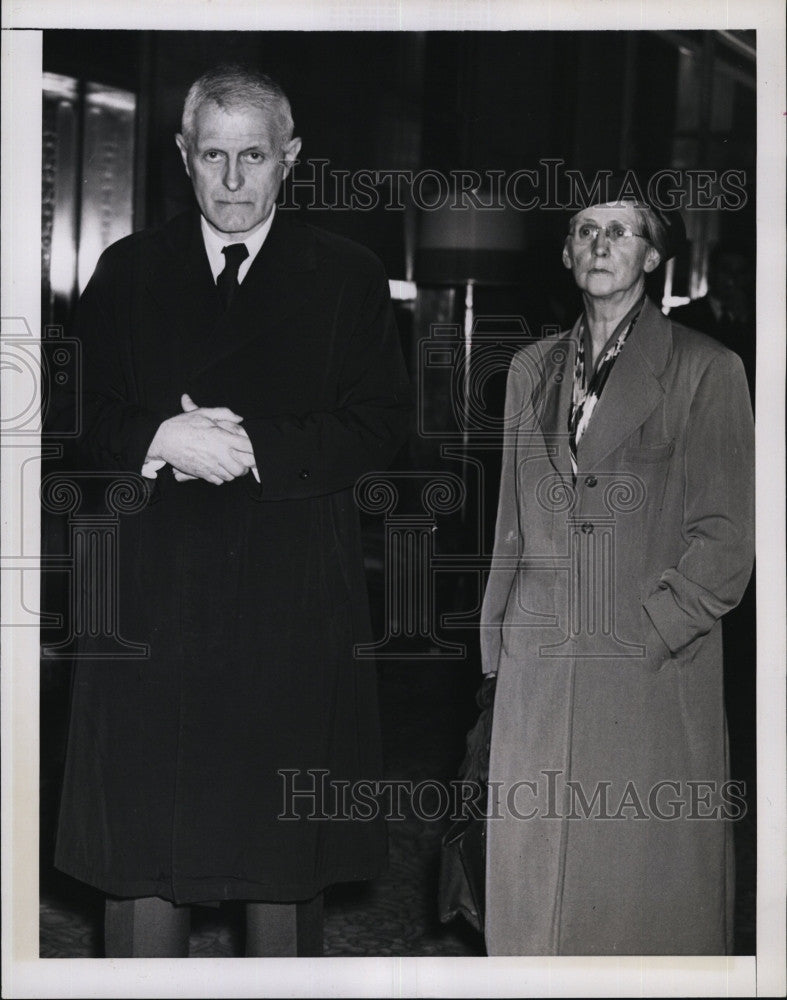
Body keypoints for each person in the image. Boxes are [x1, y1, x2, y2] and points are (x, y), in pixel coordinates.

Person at [52, 64, 409, 957]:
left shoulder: (348, 277)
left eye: (254, 155)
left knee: (279, 870)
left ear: (290, 158)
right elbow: (69, 415)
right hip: (151, 606)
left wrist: (252, 450)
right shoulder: (128, 270)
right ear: (184, 157)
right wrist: (161, 438)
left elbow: (380, 426)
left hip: (288, 609)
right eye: (214, 156)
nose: (235, 180)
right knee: (142, 870)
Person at [480, 188, 754, 955]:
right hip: (536, 666)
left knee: (637, 895)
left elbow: (727, 540)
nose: (601, 244)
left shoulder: (706, 370)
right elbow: (509, 518)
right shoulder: (530, 369)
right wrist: (500, 642)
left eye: (622, 232)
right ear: (567, 252)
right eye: (585, 230)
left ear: (652, 257)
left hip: (647, 670)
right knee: (533, 891)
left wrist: (652, 631)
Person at [670, 241, 755, 397]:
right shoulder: (682, 316)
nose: (732, 279)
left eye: (740, 272)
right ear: (712, 272)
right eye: (726, 270)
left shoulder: (755, 321)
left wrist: (743, 320)